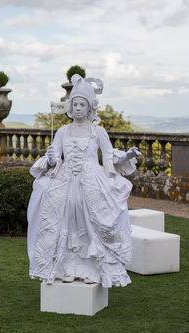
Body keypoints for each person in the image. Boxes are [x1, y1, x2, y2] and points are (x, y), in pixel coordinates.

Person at [27, 74, 141, 288]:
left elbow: (109, 156)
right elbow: (55, 156)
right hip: (65, 179)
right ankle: (66, 267)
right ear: (70, 107)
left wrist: (128, 156)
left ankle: (90, 267)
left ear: (90, 108)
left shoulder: (98, 131)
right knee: (64, 218)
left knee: (91, 219)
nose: (78, 107)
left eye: (82, 104)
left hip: (91, 181)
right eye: (75, 104)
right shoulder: (62, 131)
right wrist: (51, 159)